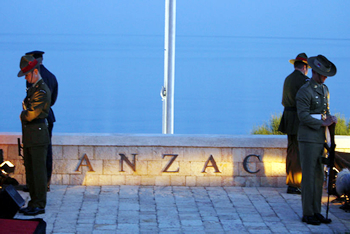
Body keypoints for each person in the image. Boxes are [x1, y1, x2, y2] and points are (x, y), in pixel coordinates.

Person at [296, 54, 337, 225]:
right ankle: (307, 213)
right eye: (322, 74)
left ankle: (316, 210)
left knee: (319, 176)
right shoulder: (305, 91)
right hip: (308, 138)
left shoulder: (324, 89)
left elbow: (324, 111)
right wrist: (322, 123)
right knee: (309, 176)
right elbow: (303, 115)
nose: (325, 77)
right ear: (315, 72)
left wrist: (330, 119)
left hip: (320, 138)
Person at [17, 55, 51, 216]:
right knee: (30, 172)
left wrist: (23, 115)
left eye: (27, 74)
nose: (26, 78)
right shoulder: (34, 89)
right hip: (31, 136)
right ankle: (33, 201)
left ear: (35, 72)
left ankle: (39, 203)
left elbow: (31, 114)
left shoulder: (42, 90)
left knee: (38, 172)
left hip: (37, 136)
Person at [25, 50, 58, 192]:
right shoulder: (51, 76)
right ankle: (46, 182)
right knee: (47, 151)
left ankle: (38, 185)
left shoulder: (36, 77)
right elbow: (53, 100)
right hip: (48, 116)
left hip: (38, 120)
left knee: (37, 153)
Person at [278, 53, 310, 194]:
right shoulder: (304, 80)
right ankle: (295, 183)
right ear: (304, 67)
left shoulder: (287, 79)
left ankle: (292, 182)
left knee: (291, 150)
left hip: (288, 118)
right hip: (298, 119)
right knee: (298, 152)